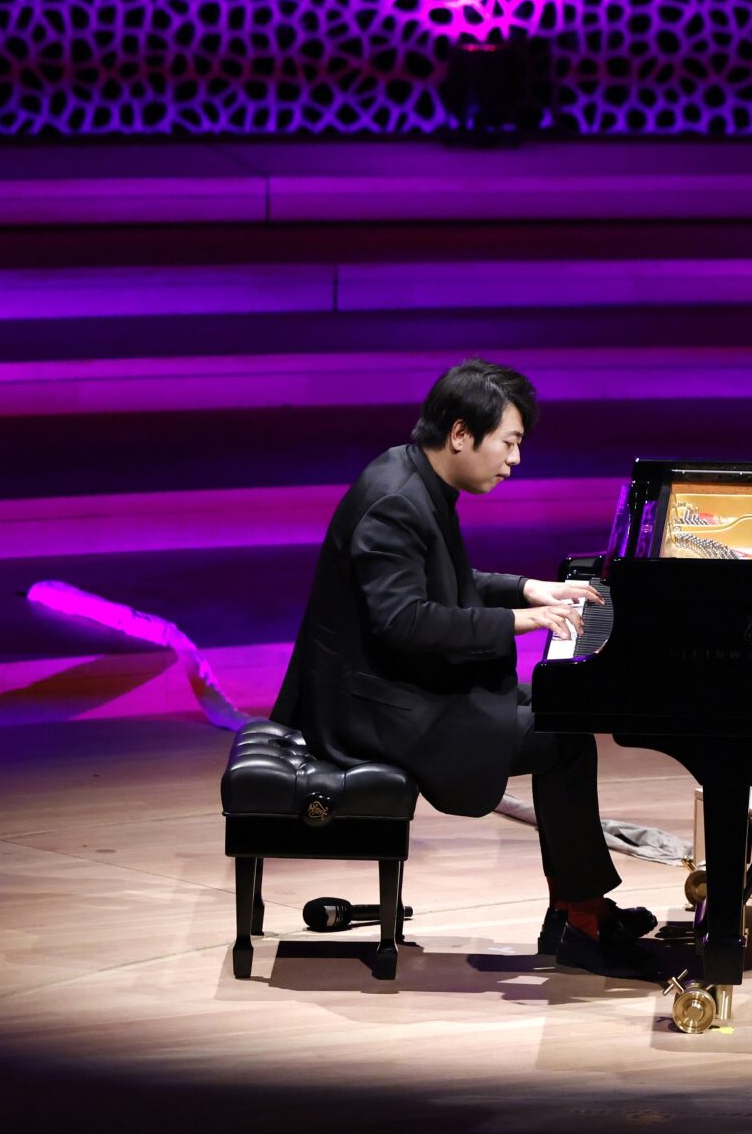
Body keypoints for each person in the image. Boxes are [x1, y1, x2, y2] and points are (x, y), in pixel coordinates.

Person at [272, 359, 661, 978]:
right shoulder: (396, 501)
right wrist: (521, 620)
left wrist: (528, 588)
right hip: (370, 712)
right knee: (561, 737)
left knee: (559, 711)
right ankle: (581, 920)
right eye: (509, 442)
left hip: (389, 688)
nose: (515, 459)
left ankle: (574, 910)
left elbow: (443, 580)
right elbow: (405, 621)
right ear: (460, 434)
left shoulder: (413, 476)